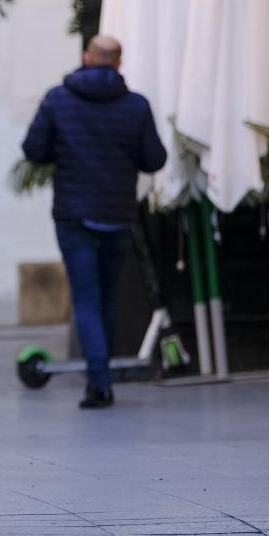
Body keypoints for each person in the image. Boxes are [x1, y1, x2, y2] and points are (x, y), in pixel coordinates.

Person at [22, 35, 168, 409]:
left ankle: (99, 383)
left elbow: (33, 150)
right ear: (118, 62)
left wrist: (64, 147)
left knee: (85, 297)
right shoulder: (136, 106)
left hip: (73, 215)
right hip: (118, 214)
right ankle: (102, 376)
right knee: (106, 296)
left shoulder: (58, 99)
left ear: (87, 58)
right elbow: (154, 159)